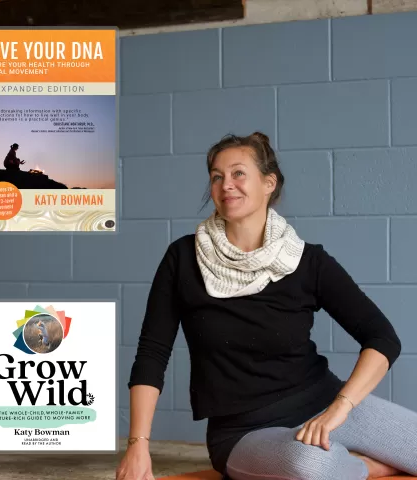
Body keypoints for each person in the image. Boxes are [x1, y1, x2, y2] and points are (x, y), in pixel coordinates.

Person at [116, 131, 417, 480]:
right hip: (244, 432)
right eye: (217, 176)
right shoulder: (183, 258)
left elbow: (382, 338)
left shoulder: (307, 261)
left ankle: (343, 460)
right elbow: (152, 354)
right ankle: (366, 466)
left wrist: (340, 407)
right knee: (310, 466)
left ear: (268, 183)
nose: (226, 184)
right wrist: (137, 445)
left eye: (238, 173)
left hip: (322, 406)